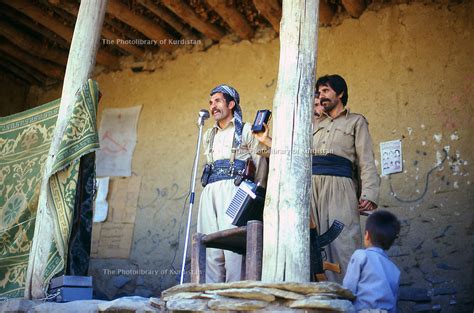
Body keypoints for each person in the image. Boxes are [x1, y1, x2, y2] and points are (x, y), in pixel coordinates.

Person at [312, 74, 380, 282]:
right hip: (311, 187)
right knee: (311, 244)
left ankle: (348, 298)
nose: (321, 96)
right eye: (319, 92)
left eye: (326, 91)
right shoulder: (313, 125)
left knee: (343, 242)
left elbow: (366, 160)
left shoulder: (356, 122)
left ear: (340, 93)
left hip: (340, 187)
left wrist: (368, 193)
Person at [197, 84, 267, 283]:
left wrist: (256, 196)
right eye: (211, 102)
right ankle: (212, 299)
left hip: (235, 191)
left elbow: (260, 162)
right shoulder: (209, 135)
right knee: (211, 249)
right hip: (210, 192)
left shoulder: (245, 130)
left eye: (217, 101)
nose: (213, 106)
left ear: (231, 104)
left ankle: (235, 298)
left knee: (233, 252)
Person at [343, 210, 401, 313]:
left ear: (367, 235)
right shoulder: (394, 269)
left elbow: (348, 289)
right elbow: (393, 304)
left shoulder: (360, 256)